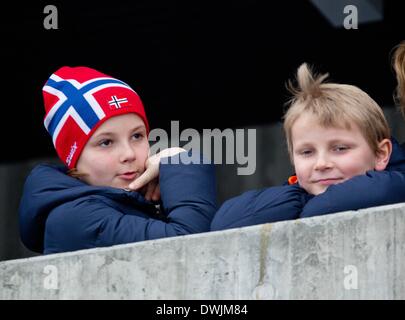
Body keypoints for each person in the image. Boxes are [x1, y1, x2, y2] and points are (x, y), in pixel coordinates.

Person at [19, 66, 217, 254]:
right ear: (74, 160)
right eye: (106, 142)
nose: (129, 154)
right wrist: (180, 163)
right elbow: (191, 249)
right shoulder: (75, 217)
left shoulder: (149, 198)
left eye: (137, 136)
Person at [211, 63, 405, 231]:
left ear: (381, 154)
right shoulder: (297, 193)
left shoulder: (396, 180)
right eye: (307, 152)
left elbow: (327, 207)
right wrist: (302, 200)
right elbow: (223, 222)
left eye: (340, 148)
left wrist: (305, 208)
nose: (321, 164)